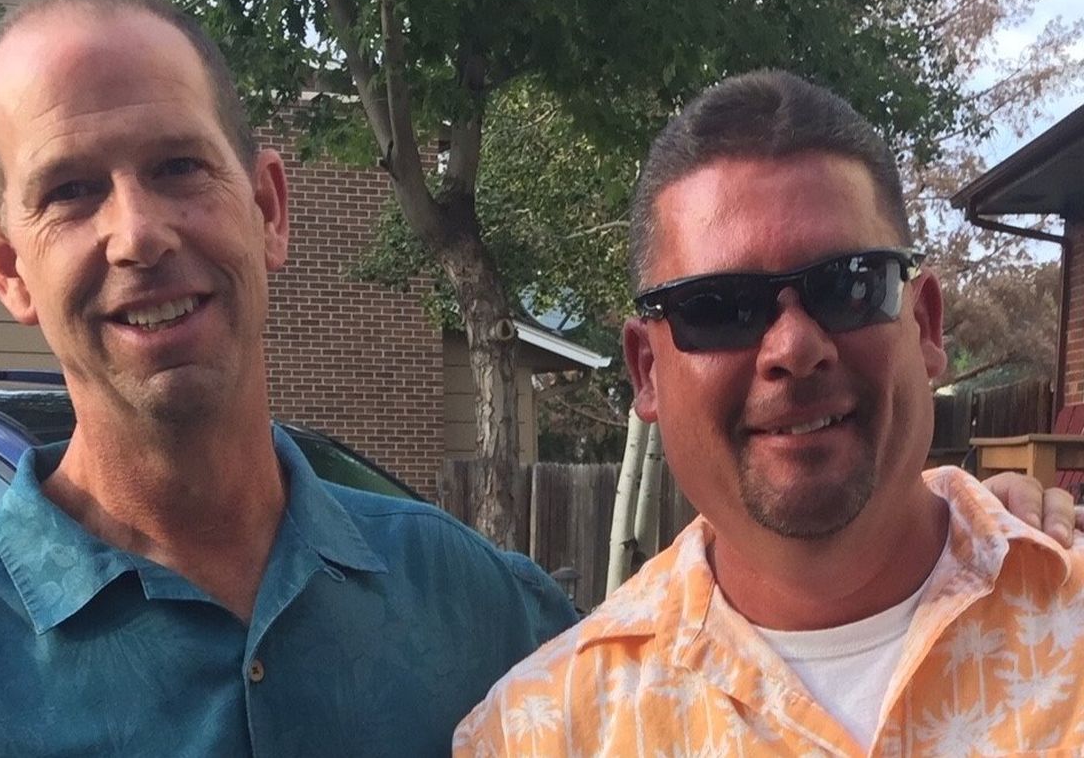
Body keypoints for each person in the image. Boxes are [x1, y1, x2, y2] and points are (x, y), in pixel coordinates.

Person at [0, 0, 578, 757]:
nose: (138, 235)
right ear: (7, 267)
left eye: (179, 166)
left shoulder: (483, 613)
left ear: (269, 210)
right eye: (71, 191)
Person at [456, 70, 1084, 756]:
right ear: (646, 370)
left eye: (849, 286)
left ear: (926, 325)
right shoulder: (541, 734)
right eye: (719, 307)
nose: (794, 347)